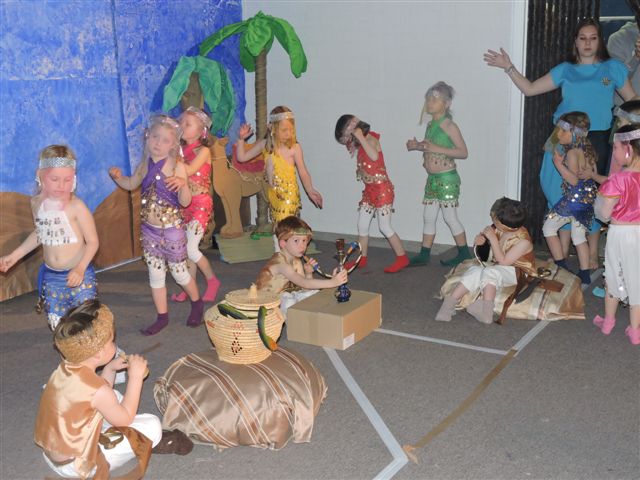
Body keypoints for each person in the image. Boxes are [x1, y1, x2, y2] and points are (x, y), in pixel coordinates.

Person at [484, 17, 637, 269]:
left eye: (593, 38)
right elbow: (530, 88)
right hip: (561, 137)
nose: (587, 43)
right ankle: (562, 253)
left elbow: (633, 103)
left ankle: (592, 256)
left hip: (595, 138)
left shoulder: (613, 68)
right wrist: (508, 66)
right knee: (556, 191)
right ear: (575, 42)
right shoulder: (565, 70)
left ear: (599, 41)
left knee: (591, 194)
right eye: (582, 38)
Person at [34, 300, 163, 478]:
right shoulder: (99, 390)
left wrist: (109, 368)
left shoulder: (65, 368)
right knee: (152, 425)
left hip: (53, 452)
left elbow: (94, 394)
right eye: (111, 342)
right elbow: (124, 420)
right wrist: (135, 378)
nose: (115, 344)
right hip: (77, 464)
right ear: (98, 353)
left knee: (112, 395)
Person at [109, 115, 203, 335]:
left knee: (179, 273)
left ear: (173, 145)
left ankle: (197, 303)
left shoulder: (177, 166)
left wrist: (183, 185)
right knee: (155, 274)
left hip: (171, 231)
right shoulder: (145, 164)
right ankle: (162, 317)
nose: (158, 143)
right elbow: (131, 184)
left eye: (165, 140)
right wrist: (118, 178)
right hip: (149, 230)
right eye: (154, 137)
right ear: (147, 138)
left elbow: (185, 202)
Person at [0, 145, 98, 330]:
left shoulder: (77, 207)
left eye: (67, 180)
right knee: (58, 326)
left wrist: (80, 268)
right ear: (40, 176)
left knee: (85, 326)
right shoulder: (36, 203)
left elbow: (93, 242)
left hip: (79, 276)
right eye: (54, 179)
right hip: (52, 278)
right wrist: (15, 256)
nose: (61, 185)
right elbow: (41, 233)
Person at [435, 197, 534, 324]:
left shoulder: (523, 241)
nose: (493, 222)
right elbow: (488, 253)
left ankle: (486, 313)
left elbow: (504, 262)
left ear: (503, 224)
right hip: (499, 267)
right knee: (475, 270)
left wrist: (492, 239)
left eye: (495, 220)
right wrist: (481, 243)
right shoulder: (499, 229)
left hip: (518, 272)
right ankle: (448, 305)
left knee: (490, 272)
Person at [406, 81, 471, 267]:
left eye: (435, 100)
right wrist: (418, 146)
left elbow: (463, 152)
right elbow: (429, 146)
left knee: (450, 217)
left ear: (447, 104)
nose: (430, 103)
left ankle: (464, 253)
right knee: (428, 216)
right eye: (428, 99)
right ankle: (424, 254)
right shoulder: (431, 125)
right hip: (433, 179)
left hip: (447, 179)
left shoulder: (449, 126)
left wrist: (435, 148)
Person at [334, 114, 410, 273]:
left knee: (385, 227)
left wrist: (361, 138)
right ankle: (362, 258)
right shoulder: (361, 142)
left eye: (347, 136)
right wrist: (355, 141)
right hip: (369, 190)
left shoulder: (370, 139)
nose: (348, 141)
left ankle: (402, 258)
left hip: (382, 190)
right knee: (362, 225)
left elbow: (374, 156)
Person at [542, 112, 603, 285]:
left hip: (573, 201)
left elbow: (574, 180)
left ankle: (561, 264)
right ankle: (584, 273)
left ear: (575, 134)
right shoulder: (587, 151)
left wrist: (558, 165)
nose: (558, 134)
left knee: (548, 228)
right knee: (578, 237)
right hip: (586, 201)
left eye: (563, 131)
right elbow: (593, 175)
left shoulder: (571, 153)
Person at [236, 106, 323, 227]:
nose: (288, 133)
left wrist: (310, 190)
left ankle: (286, 238)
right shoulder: (264, 145)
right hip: (274, 195)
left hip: (289, 194)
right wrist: (241, 140)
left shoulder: (294, 147)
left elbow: (303, 172)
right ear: (272, 128)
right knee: (278, 226)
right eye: (284, 130)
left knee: (286, 226)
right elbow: (242, 158)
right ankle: (281, 239)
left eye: (291, 130)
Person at [592, 124, 640, 345]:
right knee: (637, 277)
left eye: (617, 149)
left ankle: (608, 321)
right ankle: (635, 329)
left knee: (614, 273)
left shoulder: (617, 180)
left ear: (629, 149)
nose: (615, 154)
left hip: (620, 233)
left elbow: (603, 212)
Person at [170, 107, 220, 304]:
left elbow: (190, 170)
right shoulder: (179, 151)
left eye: (188, 124)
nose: (182, 126)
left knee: (191, 249)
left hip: (200, 204)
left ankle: (212, 281)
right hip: (184, 205)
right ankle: (189, 287)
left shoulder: (204, 151)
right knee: (186, 251)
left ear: (202, 131)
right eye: (181, 122)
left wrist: (175, 159)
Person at [256, 216, 348, 317]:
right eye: (296, 241)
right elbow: (304, 283)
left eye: (304, 241)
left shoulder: (296, 260)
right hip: (267, 305)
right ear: (283, 243)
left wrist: (308, 273)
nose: (302, 246)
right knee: (289, 301)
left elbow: (304, 287)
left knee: (313, 293)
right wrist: (332, 282)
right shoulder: (281, 264)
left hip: (286, 295)